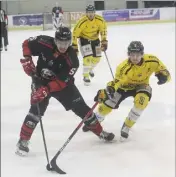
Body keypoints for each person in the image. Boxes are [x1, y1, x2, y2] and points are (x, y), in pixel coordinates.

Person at [15, 27, 114, 156]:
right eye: (60, 43)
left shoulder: (73, 59)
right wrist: (27, 58)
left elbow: (62, 82)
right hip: (40, 80)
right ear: (55, 40)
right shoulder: (44, 42)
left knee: (82, 109)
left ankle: (100, 132)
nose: (63, 46)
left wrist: (47, 89)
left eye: (66, 43)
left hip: (62, 86)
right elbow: (26, 43)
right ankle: (23, 141)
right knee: (35, 111)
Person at [82, 41, 171, 140]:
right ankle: (97, 120)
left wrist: (165, 77)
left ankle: (127, 125)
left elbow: (165, 72)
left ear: (142, 54)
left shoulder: (153, 61)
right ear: (129, 54)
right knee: (108, 103)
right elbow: (116, 82)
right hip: (124, 87)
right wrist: (110, 89)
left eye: (138, 55)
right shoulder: (123, 67)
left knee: (141, 102)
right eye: (132, 55)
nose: (135, 58)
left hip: (142, 85)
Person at [72, 5, 108, 85]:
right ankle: (86, 76)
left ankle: (90, 69)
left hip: (95, 40)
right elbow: (75, 33)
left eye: (92, 12)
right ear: (86, 13)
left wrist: (104, 41)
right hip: (84, 40)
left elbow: (103, 31)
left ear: (94, 12)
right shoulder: (82, 22)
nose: (90, 14)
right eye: (89, 12)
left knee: (97, 59)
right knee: (88, 57)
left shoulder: (100, 20)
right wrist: (74, 45)